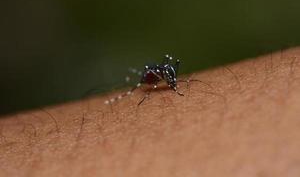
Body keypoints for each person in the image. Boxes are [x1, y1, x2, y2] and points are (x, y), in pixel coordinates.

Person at [1, 47, 300, 176]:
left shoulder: (169, 72)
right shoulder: (154, 78)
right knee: (158, 67)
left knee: (169, 61)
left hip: (159, 76)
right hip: (152, 78)